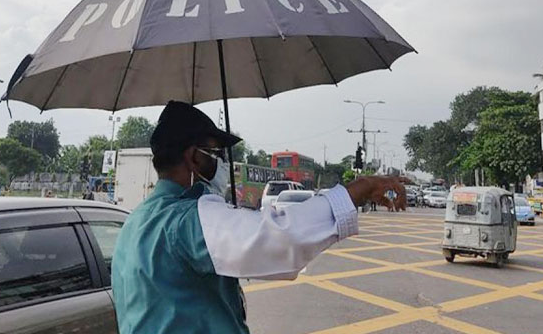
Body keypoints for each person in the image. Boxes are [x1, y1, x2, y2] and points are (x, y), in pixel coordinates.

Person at [112, 101, 397, 334]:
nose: (222, 162)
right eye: (216, 153)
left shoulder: (135, 221)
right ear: (194, 158)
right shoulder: (185, 220)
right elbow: (281, 237)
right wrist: (356, 191)